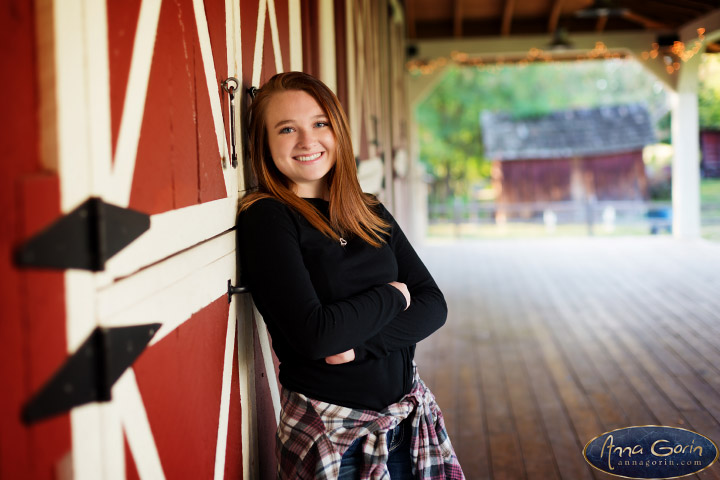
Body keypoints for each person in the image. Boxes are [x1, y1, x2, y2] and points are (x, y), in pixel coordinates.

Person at [237, 71, 464, 479]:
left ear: (337, 130)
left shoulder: (367, 209)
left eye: (319, 123)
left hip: (404, 426)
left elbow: (433, 305)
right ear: (264, 144)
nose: (308, 141)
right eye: (287, 129)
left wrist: (360, 347)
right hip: (332, 440)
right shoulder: (269, 218)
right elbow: (317, 334)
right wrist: (393, 296)